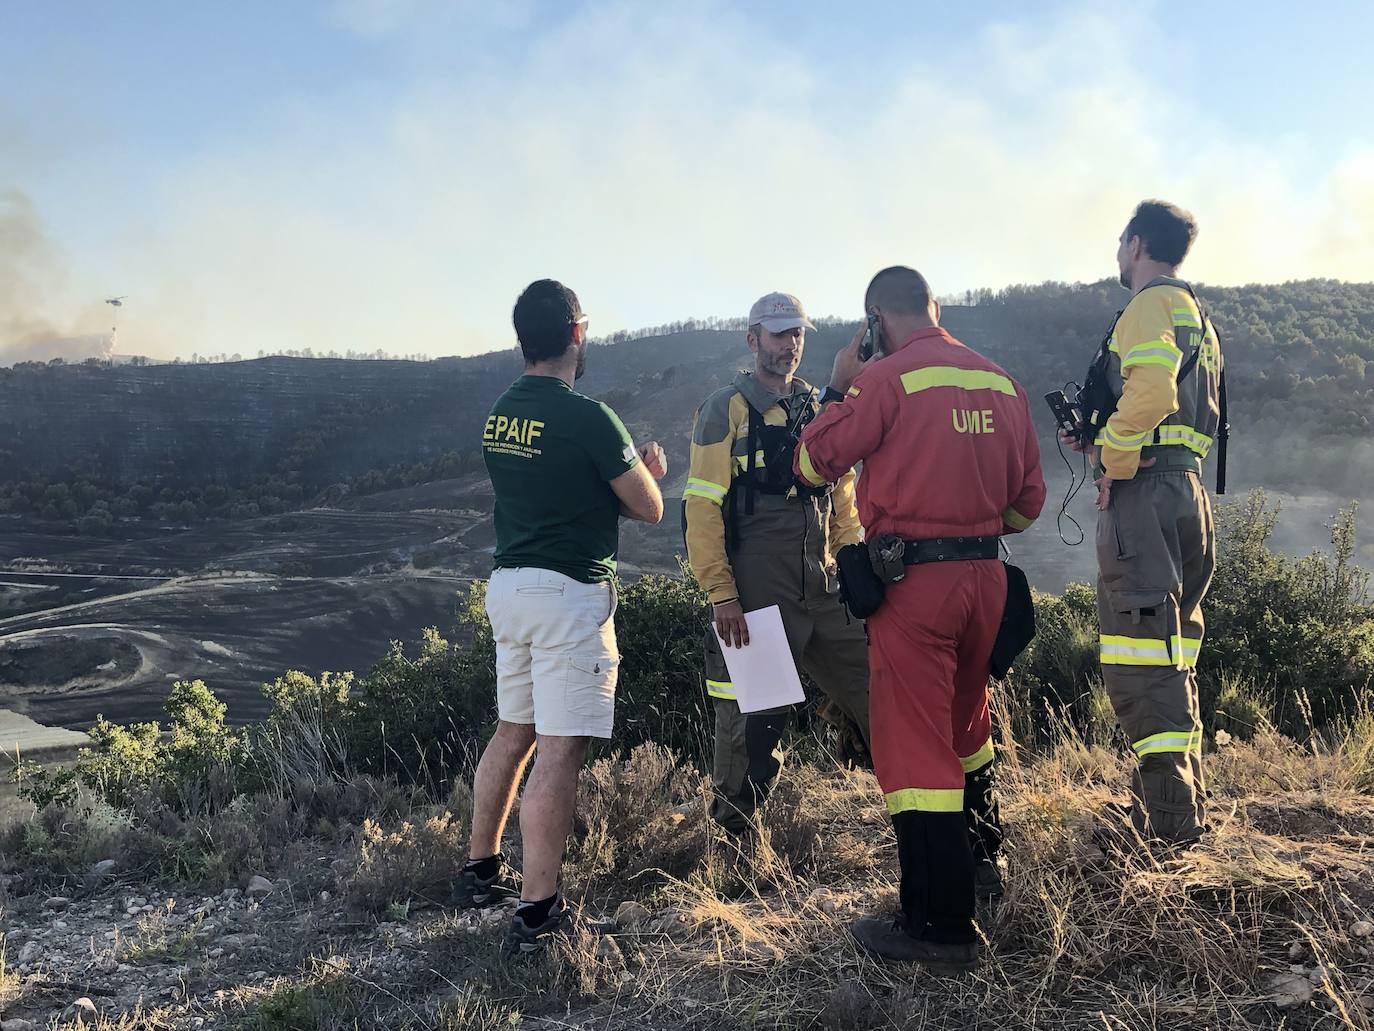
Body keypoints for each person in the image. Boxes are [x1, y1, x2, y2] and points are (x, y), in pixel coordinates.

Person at [796, 267, 1045, 969]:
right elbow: (1026, 507)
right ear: (935, 310)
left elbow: (812, 463)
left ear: (877, 318)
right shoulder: (1000, 382)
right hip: (988, 579)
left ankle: (938, 923)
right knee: (969, 726)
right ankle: (983, 864)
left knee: (913, 750)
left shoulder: (885, 379)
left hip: (916, 587)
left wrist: (841, 382)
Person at [454, 279, 667, 955]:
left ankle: (480, 867)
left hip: (509, 586)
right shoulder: (591, 419)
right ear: (578, 333)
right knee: (560, 749)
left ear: (525, 338)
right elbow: (649, 505)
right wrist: (648, 470)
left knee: (513, 729)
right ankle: (539, 909)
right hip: (568, 596)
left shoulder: (499, 415)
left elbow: (548, 490)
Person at [1063, 201, 1224, 847]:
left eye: (1120, 241)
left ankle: (1169, 828)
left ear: (1134, 244)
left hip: (1146, 493)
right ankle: (1178, 803)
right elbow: (1169, 404)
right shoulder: (1198, 316)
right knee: (1172, 652)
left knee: (1139, 657)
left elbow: (1152, 392)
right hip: (1187, 490)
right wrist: (1104, 434)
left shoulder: (1147, 305)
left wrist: (1113, 458)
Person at [683, 291, 871, 836]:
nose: (790, 345)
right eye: (778, 334)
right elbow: (702, 506)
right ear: (753, 339)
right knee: (754, 723)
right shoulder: (726, 408)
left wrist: (850, 561)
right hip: (758, 583)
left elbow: (842, 496)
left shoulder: (817, 408)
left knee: (879, 684)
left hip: (823, 576)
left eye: (797, 335)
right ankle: (736, 850)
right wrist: (723, 596)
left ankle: (909, 809)